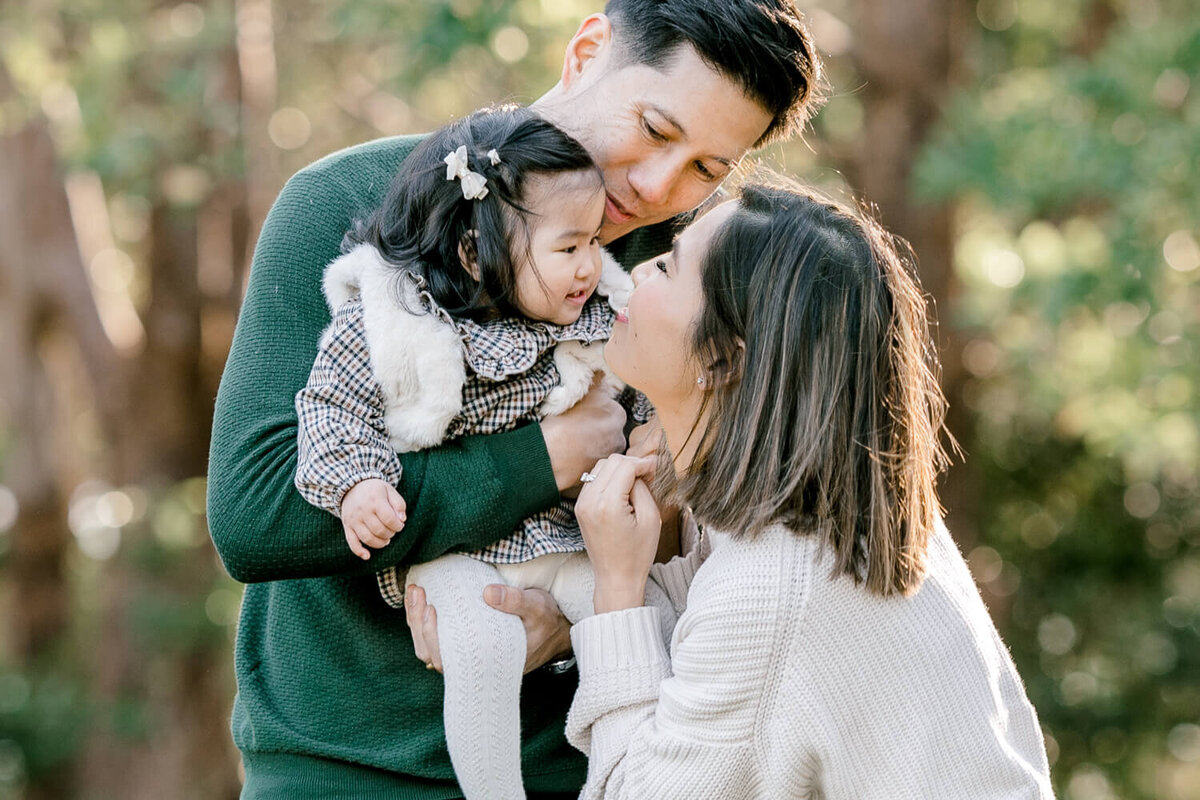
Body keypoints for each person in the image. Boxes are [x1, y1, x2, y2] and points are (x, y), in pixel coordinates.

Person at [205, 1, 822, 797]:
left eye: (707, 168)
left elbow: (741, 547)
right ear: (588, 49)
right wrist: (547, 456)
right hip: (342, 768)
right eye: (656, 129)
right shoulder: (347, 201)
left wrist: (585, 619)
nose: (657, 184)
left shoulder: (697, 275)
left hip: (592, 767)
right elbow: (258, 517)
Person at [553, 183, 1054, 798]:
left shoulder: (772, 584)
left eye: (668, 265)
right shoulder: (855, 504)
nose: (635, 272)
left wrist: (618, 595)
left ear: (721, 360)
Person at [292, 106, 661, 800]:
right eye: (569, 247)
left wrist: (648, 439)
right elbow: (331, 408)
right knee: (481, 647)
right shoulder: (393, 322)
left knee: (648, 619)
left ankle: (650, 779)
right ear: (472, 253)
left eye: (594, 243)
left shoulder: (596, 313)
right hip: (452, 557)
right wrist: (357, 487)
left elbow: (642, 396)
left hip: (562, 541)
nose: (591, 265)